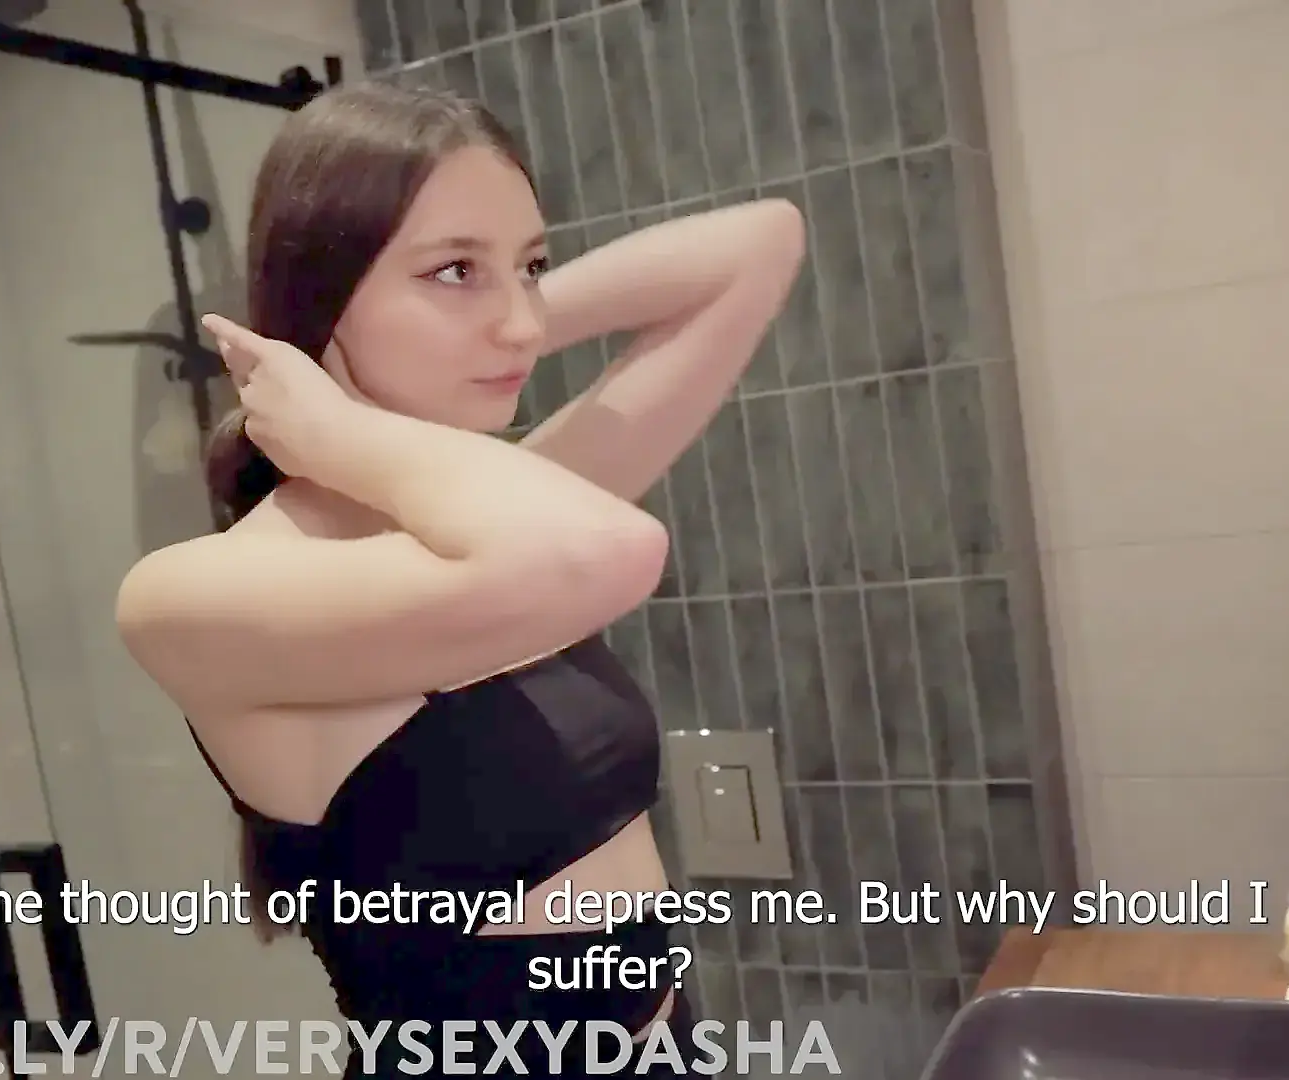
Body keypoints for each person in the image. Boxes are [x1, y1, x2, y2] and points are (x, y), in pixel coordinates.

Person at [112, 81, 805, 1077]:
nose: (520, 323)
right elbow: (612, 553)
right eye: (453, 270)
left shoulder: (502, 516)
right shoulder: (193, 597)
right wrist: (343, 431)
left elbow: (759, 246)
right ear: (321, 290)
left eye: (532, 267)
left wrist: (490, 317)